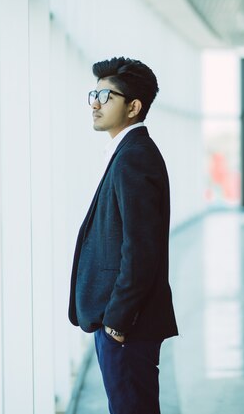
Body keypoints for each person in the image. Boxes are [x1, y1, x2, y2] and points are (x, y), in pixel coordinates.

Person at [68, 57, 178, 414]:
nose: (95, 103)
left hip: (128, 326)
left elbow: (141, 250)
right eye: (94, 94)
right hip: (122, 323)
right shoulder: (127, 152)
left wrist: (116, 322)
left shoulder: (135, 157)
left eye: (106, 95)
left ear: (134, 106)